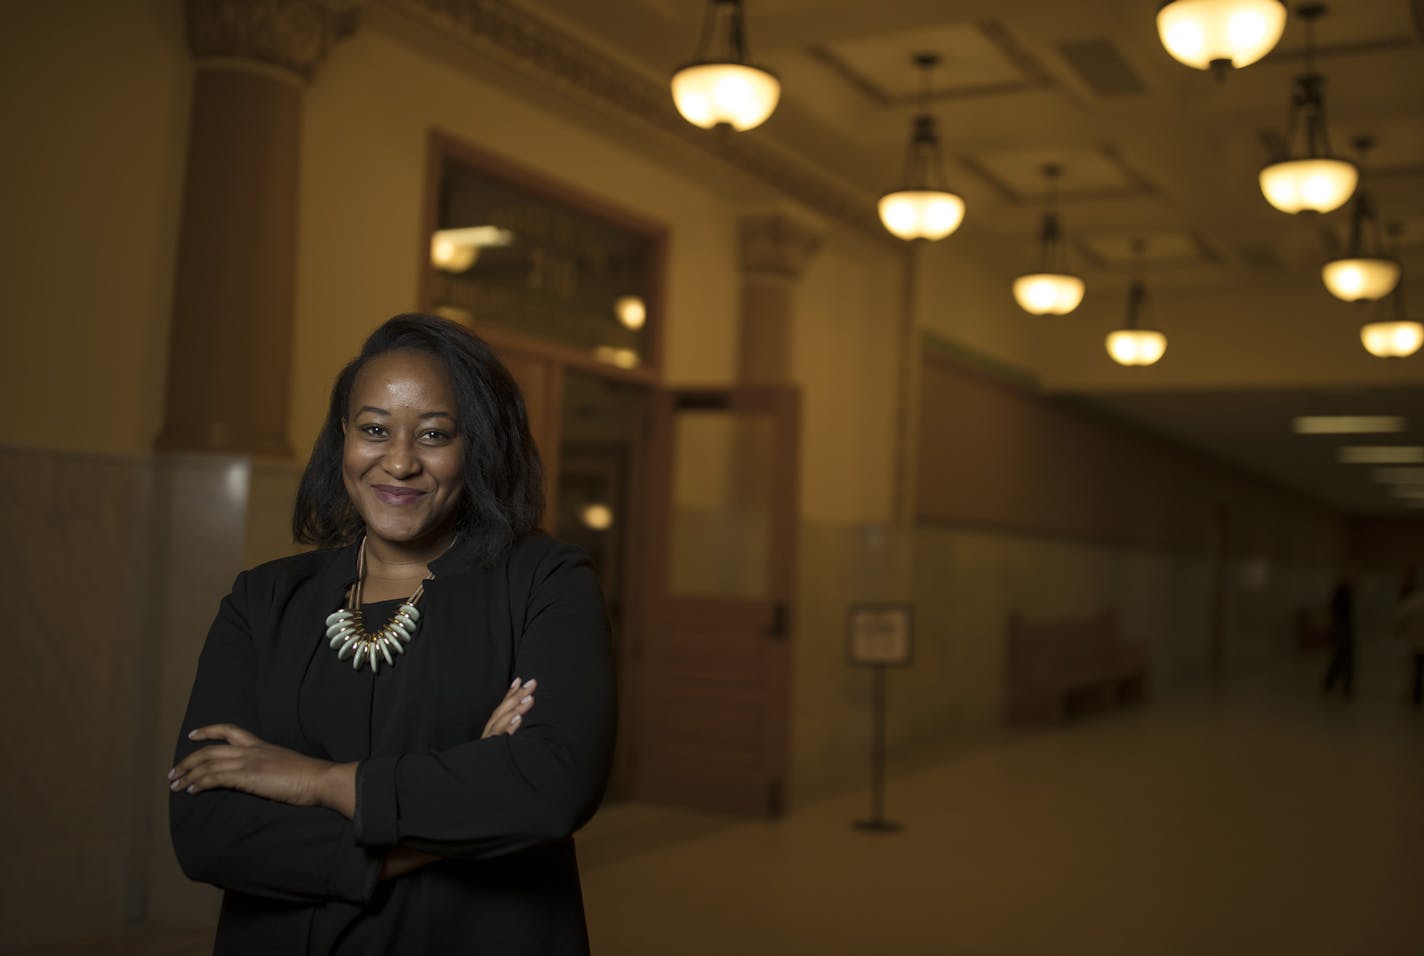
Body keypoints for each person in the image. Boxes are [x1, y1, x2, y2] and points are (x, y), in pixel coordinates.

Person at [168, 313, 616, 955]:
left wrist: (315, 781)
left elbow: (551, 786)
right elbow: (207, 830)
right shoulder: (262, 600)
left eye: (434, 434)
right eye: (374, 429)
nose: (399, 462)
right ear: (343, 440)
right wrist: (461, 810)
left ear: (477, 447)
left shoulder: (544, 581)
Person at [1320, 574, 1355, 697]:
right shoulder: (1343, 595)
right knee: (1345, 658)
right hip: (1342, 629)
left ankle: (1331, 683)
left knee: (1340, 657)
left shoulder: (1341, 595)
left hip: (1341, 629)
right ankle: (1342, 685)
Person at [1394, 573, 1424, 709]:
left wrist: (1400, 630)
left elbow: (1400, 617)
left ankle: (1416, 695)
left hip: (1417, 642)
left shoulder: (1413, 600)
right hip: (1418, 640)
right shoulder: (1415, 600)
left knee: (1417, 668)